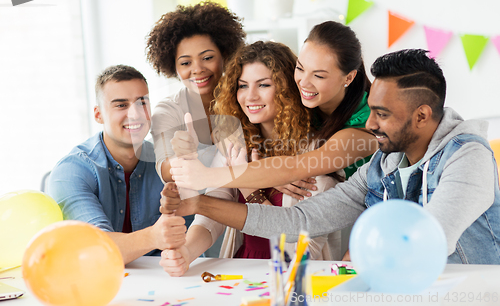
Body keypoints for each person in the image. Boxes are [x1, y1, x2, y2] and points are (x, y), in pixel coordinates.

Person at [164, 49, 500, 265]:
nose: (370, 124)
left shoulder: (467, 156)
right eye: (371, 111)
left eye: (382, 114)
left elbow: (430, 240)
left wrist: (358, 257)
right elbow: (299, 221)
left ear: (422, 115)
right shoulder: (382, 165)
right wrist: (199, 205)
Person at [160, 41, 338, 276]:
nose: (250, 96)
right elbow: (211, 216)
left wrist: (247, 185)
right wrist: (186, 252)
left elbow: (298, 253)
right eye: (242, 86)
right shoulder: (236, 145)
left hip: (291, 280)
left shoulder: (318, 154)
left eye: (263, 85)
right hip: (242, 270)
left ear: (289, 90)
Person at [169, 21, 377, 200]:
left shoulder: (366, 127)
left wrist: (204, 176)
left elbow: (296, 167)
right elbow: (233, 125)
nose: (303, 83)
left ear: (348, 77)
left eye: (319, 76)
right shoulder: (303, 101)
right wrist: (268, 174)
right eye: (301, 68)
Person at [48, 65, 187, 265]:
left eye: (142, 103)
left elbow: (187, 239)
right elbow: (96, 247)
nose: (135, 114)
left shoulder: (166, 163)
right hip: (93, 285)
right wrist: (155, 236)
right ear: (98, 115)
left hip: (163, 282)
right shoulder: (71, 171)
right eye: (121, 105)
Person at [145, 2, 246, 236]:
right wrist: (183, 158)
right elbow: (165, 168)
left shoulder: (245, 99)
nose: (197, 69)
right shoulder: (168, 110)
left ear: (225, 54)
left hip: (247, 215)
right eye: (186, 63)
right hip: (195, 225)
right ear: (173, 67)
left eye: (207, 57)